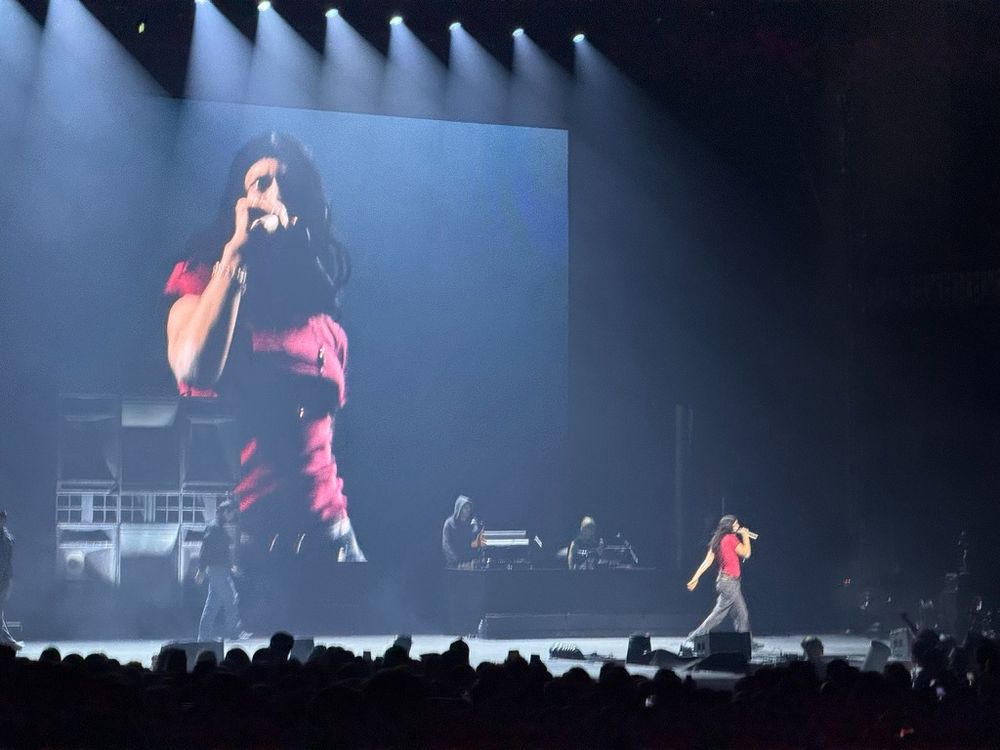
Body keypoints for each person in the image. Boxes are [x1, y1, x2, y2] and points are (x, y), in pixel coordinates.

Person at [164, 132, 364, 563]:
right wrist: (238, 253)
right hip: (252, 543)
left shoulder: (325, 325)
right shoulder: (202, 285)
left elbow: (320, 448)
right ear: (238, 198)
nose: (275, 194)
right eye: (261, 182)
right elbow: (193, 367)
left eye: (289, 187)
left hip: (334, 537)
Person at [685, 514, 752, 639]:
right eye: (736, 524)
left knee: (741, 613)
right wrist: (746, 536)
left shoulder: (717, 539)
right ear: (729, 526)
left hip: (725, 581)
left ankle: (747, 641)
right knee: (719, 614)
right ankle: (695, 636)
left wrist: (695, 577)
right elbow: (746, 554)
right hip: (729, 583)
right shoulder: (731, 538)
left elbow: (707, 561)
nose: (738, 526)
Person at [197, 500, 245, 641]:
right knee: (231, 598)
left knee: (213, 604)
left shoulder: (218, 527)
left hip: (219, 569)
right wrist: (201, 569)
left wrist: (230, 566)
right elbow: (206, 550)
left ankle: (204, 636)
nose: (232, 517)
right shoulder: (214, 528)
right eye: (232, 513)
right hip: (217, 571)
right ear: (225, 512)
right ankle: (233, 631)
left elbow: (218, 552)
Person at [0, 510, 23, 651]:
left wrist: (9, 579)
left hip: (4, 577)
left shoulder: (7, 538)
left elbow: (8, 561)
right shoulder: (6, 538)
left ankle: (7, 641)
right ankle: (7, 641)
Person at [442, 496, 482, 568]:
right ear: (459, 508)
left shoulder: (471, 523)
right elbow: (446, 545)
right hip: (455, 564)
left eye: (469, 508)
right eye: (465, 507)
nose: (468, 510)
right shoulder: (450, 524)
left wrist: (476, 529)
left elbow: (474, 542)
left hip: (470, 563)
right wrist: (456, 561)